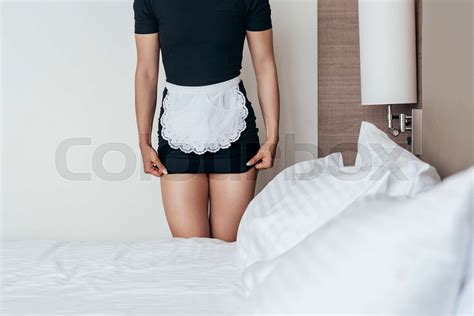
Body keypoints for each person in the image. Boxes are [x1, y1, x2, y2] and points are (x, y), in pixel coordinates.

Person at [133, 0, 280, 242]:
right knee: (191, 251)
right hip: (178, 130)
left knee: (228, 248)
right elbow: (146, 72)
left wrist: (272, 138)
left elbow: (264, 65)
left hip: (234, 127)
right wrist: (143, 141)